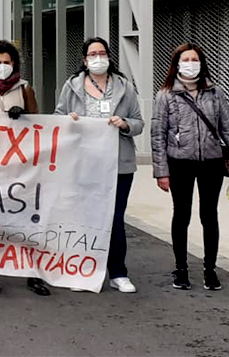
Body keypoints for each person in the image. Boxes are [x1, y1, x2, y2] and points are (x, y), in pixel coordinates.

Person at [54, 37, 144, 293]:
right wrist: (69, 120)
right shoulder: (72, 87)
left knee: (115, 218)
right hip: (83, 164)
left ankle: (117, 272)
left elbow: (138, 122)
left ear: (108, 56)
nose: (98, 58)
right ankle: (83, 269)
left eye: (102, 53)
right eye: (92, 54)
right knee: (84, 217)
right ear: (84, 60)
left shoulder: (124, 87)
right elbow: (58, 118)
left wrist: (124, 123)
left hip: (118, 164)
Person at [151, 42, 229, 291]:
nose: (191, 64)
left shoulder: (215, 92)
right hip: (179, 163)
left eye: (195, 59)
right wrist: (161, 172)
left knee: (209, 215)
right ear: (177, 64)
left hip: (211, 162)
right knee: (181, 215)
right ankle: (181, 269)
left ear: (201, 63)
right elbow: (157, 135)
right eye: (186, 59)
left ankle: (210, 269)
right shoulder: (166, 94)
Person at [0, 40, 49, 297]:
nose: (2, 66)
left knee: (25, 219)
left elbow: (38, 119)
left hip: (20, 165)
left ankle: (32, 274)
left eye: (7, 62)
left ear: (13, 63)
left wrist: (24, 113)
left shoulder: (25, 88)